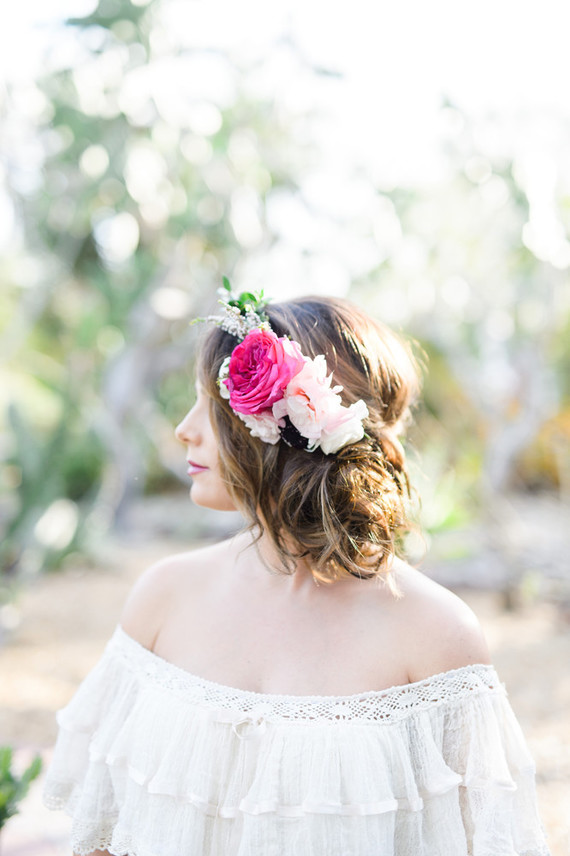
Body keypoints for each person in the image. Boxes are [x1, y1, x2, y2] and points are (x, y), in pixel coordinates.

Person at [43, 290, 550, 856]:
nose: (184, 429)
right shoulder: (163, 597)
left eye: (211, 406)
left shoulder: (436, 633)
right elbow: (103, 837)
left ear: (295, 424)